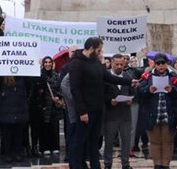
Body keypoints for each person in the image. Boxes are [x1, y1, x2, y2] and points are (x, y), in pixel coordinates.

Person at [67, 37, 137, 169]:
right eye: (99, 49)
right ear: (92, 49)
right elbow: (75, 89)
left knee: (94, 141)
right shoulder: (76, 63)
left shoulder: (95, 62)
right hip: (85, 111)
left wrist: (129, 82)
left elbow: (108, 77)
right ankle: (76, 165)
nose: (101, 52)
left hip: (98, 109)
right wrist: (82, 111)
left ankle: (95, 166)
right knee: (80, 141)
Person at [139, 53, 177, 169]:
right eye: (158, 63)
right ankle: (157, 164)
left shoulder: (173, 76)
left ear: (166, 64)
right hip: (153, 114)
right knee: (155, 142)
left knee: (167, 142)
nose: (161, 66)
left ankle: (165, 164)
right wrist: (149, 90)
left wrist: (172, 90)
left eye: (163, 63)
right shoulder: (147, 77)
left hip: (169, 114)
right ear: (155, 65)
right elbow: (140, 91)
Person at [103, 54, 136, 169]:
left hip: (125, 113)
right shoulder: (106, 76)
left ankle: (126, 164)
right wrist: (109, 100)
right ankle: (107, 163)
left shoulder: (128, 75)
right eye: (116, 64)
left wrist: (131, 99)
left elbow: (134, 92)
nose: (119, 66)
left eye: (121, 64)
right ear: (112, 63)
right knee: (109, 140)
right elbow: (101, 94)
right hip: (111, 114)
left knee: (126, 140)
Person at [0, 75, 31, 163]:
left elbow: (29, 84)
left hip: (20, 108)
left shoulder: (22, 77)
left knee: (18, 133)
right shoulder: (1, 78)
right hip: (6, 109)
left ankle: (17, 152)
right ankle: (7, 153)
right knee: (6, 134)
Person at [31, 56, 62, 156]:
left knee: (54, 126)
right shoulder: (39, 75)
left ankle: (55, 146)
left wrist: (58, 96)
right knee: (44, 127)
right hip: (43, 105)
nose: (48, 64)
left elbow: (60, 88)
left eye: (50, 62)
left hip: (54, 105)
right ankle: (44, 147)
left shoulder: (57, 75)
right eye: (46, 62)